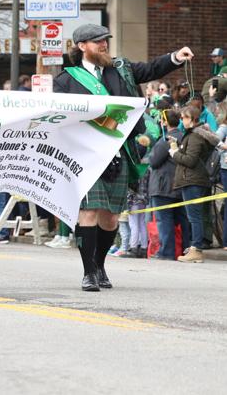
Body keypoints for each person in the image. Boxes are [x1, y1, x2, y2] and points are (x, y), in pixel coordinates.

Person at [54, 23, 192, 291]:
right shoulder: (66, 80)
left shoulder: (122, 69)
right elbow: (58, 117)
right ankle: (88, 272)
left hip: (119, 152)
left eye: (105, 40)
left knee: (111, 217)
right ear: (82, 47)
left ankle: (100, 264)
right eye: (97, 42)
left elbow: (152, 69)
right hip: (85, 155)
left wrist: (176, 57)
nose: (104, 45)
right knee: (89, 212)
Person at [171, 105, 218, 263]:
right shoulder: (192, 135)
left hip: (192, 180)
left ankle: (196, 249)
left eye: (184, 117)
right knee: (194, 216)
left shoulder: (195, 137)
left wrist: (175, 153)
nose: (182, 120)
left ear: (193, 119)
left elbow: (190, 161)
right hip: (193, 180)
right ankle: (195, 248)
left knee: (194, 217)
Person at [148, 108, 186, 260]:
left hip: (163, 187)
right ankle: (182, 250)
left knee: (165, 221)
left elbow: (154, 160)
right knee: (181, 220)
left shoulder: (167, 139)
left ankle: (166, 252)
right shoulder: (183, 136)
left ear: (165, 122)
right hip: (179, 185)